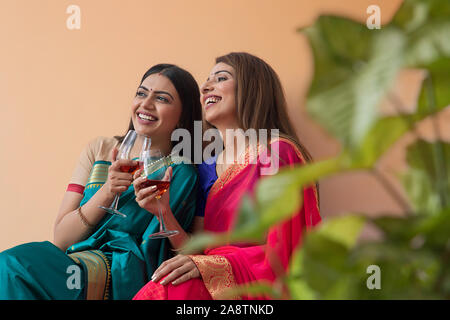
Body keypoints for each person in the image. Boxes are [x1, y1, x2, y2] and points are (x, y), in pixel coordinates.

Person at [0, 64, 203, 300]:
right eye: (141, 93)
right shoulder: (100, 149)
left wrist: (163, 212)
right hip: (72, 261)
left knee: (13, 267)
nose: (146, 104)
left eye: (161, 99)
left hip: (121, 275)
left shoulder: (181, 172)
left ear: (182, 116)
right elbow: (61, 239)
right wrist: (107, 191)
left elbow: (187, 255)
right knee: (12, 268)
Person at [133, 52, 321, 300]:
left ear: (252, 89)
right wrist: (163, 213)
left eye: (220, 78)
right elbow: (198, 248)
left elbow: (288, 248)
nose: (205, 86)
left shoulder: (277, 152)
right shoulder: (208, 166)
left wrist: (215, 266)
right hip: (211, 283)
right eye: (207, 80)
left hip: (251, 289)